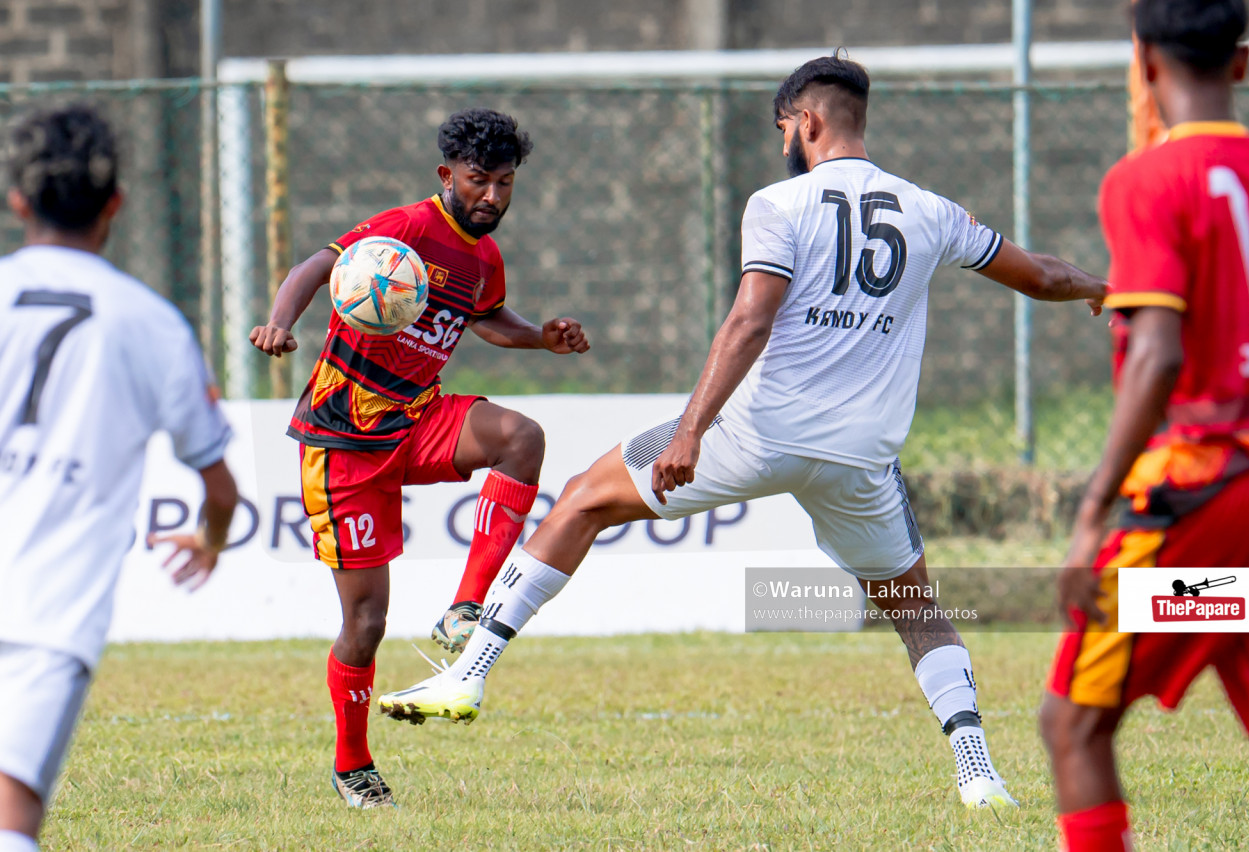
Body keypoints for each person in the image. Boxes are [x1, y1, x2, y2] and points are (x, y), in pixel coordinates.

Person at [378, 55, 1107, 809]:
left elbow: (751, 319)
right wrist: (1101, 287)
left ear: (808, 123)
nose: (783, 141)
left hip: (758, 433)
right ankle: (979, 775)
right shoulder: (931, 211)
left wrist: (691, 430)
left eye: (784, 127)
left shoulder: (779, 204)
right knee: (919, 612)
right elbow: (1045, 276)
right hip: (863, 457)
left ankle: (467, 674)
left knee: (583, 502)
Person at [249, 107, 589, 809]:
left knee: (521, 438)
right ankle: (353, 766)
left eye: (504, 183)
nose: (491, 197)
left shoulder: (483, 256)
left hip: (418, 414)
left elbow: (488, 318)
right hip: (343, 434)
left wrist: (543, 339)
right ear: (446, 176)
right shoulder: (403, 229)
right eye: (477, 181)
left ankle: (465, 608)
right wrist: (280, 323)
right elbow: (317, 265)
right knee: (367, 622)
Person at [1041, 1, 1249, 849]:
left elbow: (1158, 357)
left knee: (1072, 722)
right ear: (1243, 64)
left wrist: (1091, 509)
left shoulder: (1147, 179)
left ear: (1142, 61)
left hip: (1207, 492)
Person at [0, 105, 238, 852]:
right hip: (48, 618)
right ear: (116, 205)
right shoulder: (151, 322)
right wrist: (209, 540)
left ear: (17, 201)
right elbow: (221, 484)